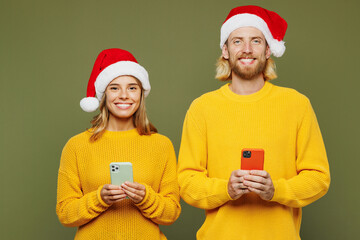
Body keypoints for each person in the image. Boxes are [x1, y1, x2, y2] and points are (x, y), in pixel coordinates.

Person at [177, 5, 330, 240]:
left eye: (256, 41)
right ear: (225, 50)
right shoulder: (202, 108)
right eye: (237, 41)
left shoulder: (297, 104)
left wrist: (275, 190)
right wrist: (226, 189)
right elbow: (187, 182)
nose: (247, 49)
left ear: (268, 50)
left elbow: (319, 178)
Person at [56, 48, 181, 240]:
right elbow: (65, 213)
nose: (124, 95)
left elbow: (171, 213)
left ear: (141, 94)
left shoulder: (162, 145)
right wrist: (99, 199)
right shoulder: (77, 146)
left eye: (132, 88)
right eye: (114, 88)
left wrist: (145, 198)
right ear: (104, 95)